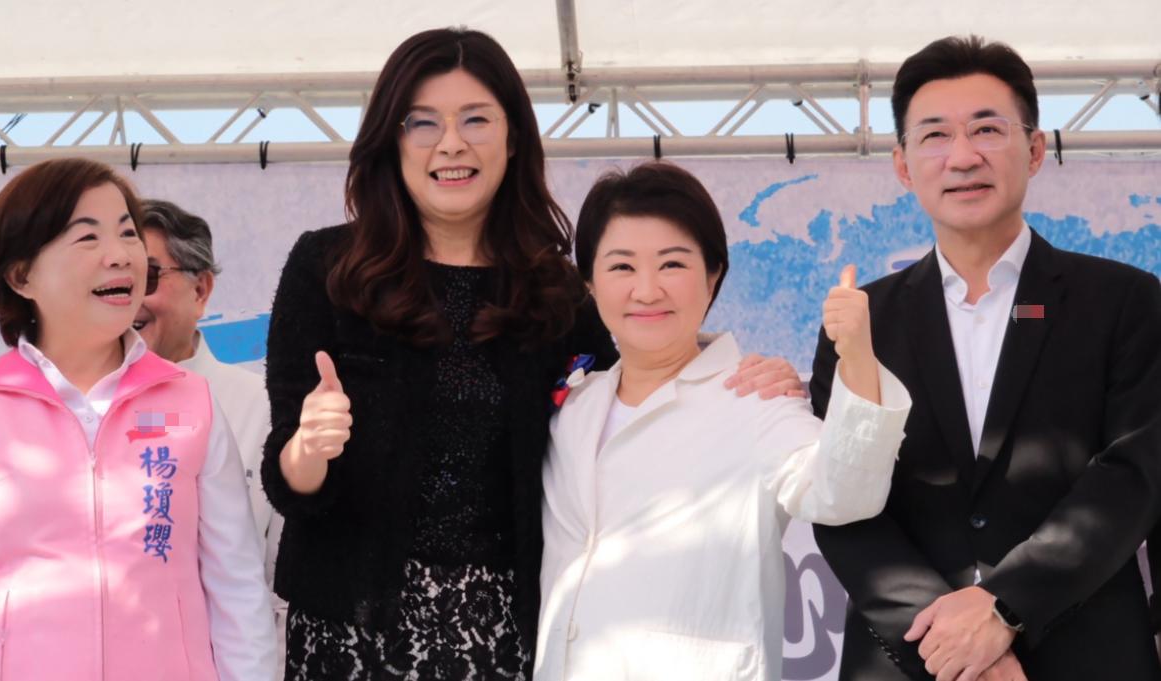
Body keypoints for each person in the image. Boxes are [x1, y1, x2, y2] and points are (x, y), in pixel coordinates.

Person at [261, 28, 802, 681]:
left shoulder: (555, 292)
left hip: (501, 634)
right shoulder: (326, 268)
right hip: (349, 631)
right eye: (423, 122)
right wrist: (308, 450)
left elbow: (635, 393)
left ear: (513, 137)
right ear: (391, 139)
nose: (451, 143)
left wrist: (736, 372)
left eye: (476, 119)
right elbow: (286, 478)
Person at [810, 35, 1161, 681]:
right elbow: (841, 504)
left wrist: (1006, 607)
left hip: (1087, 654)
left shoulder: (1126, 300)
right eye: (935, 135)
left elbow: (1133, 475)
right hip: (910, 661)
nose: (963, 156)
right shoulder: (862, 319)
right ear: (903, 165)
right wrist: (950, 644)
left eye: (987, 130)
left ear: (1035, 150)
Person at [534, 161, 911, 681]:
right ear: (590, 284)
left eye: (672, 264)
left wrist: (858, 361)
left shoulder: (755, 400)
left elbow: (844, 493)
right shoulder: (573, 409)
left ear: (713, 276)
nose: (647, 290)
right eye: (621, 267)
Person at [0, 158, 275, 680]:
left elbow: (235, 587)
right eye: (88, 237)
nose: (121, 255)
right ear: (21, 275)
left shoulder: (193, 401)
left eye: (127, 234)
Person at [134, 198, 285, 677]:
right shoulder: (78, 410)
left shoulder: (265, 409)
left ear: (200, 289)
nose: (127, 296)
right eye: (113, 280)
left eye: (147, 276)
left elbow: (277, 579)